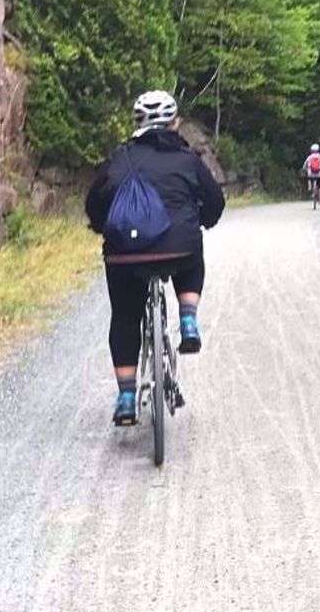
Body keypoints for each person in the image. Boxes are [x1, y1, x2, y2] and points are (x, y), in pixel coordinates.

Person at [85, 91, 226, 426]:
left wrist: (103, 229)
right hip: (179, 247)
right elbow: (215, 202)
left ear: (137, 123)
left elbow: (94, 205)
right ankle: (188, 318)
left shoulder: (118, 159)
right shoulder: (187, 159)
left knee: (124, 316)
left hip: (124, 256)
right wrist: (199, 222)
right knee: (191, 250)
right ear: (174, 122)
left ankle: (126, 398)